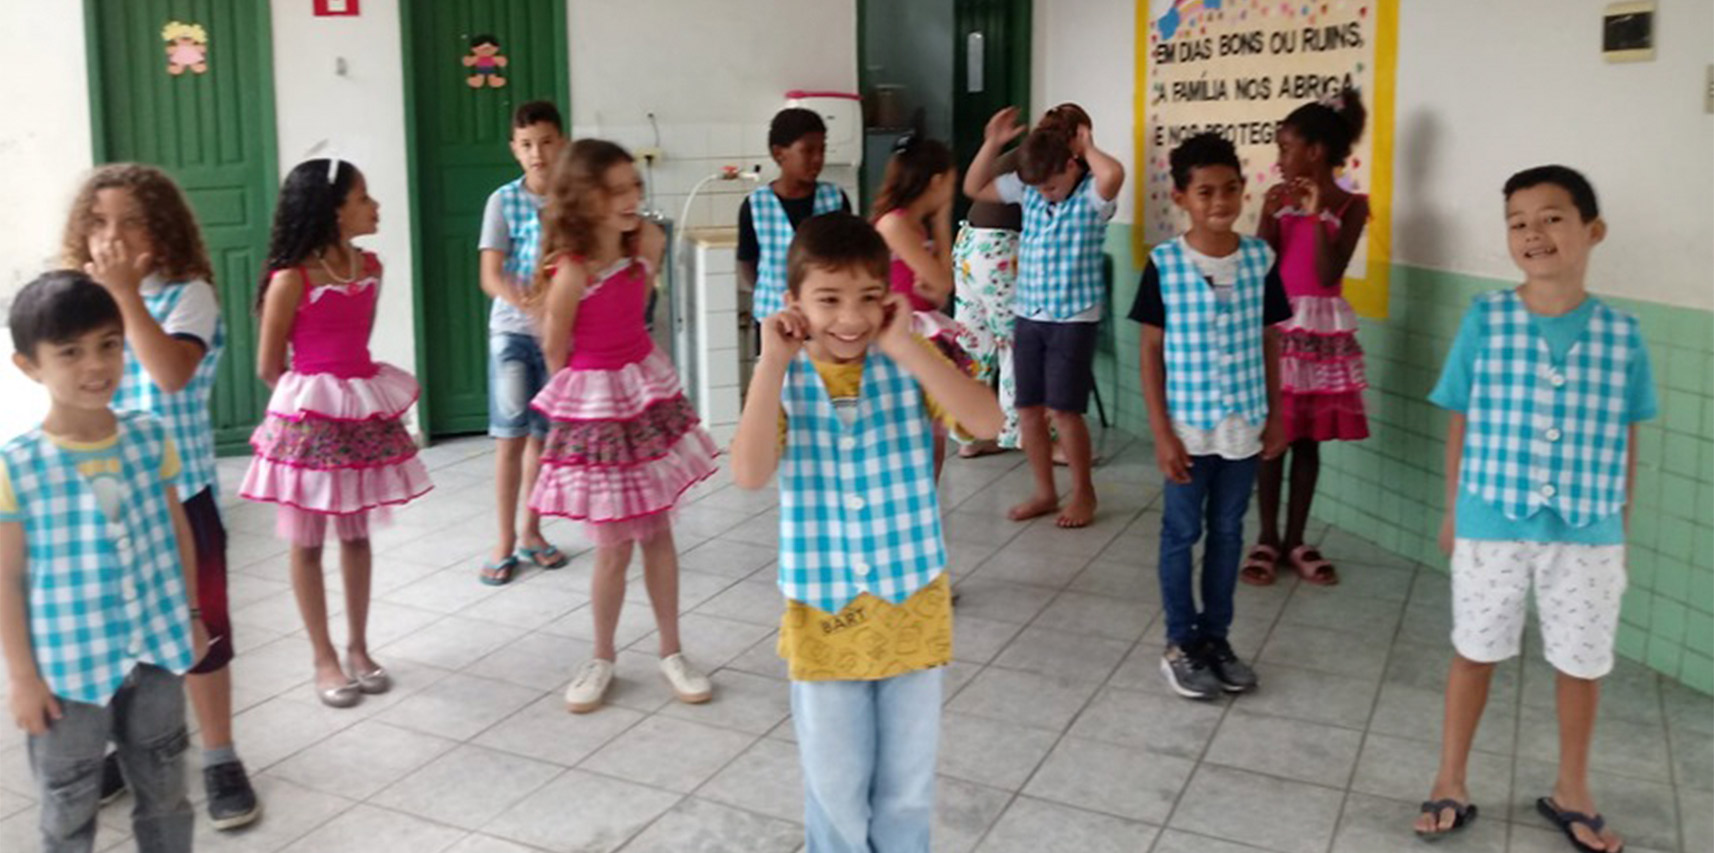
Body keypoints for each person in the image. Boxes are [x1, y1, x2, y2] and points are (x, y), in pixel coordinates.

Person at [729, 212, 1000, 852]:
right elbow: (748, 473)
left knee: (906, 791)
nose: (850, 318)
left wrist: (907, 346)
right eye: (828, 300)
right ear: (794, 303)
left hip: (912, 611)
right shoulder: (786, 376)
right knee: (835, 791)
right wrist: (771, 364)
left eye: (867, 299)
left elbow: (986, 424)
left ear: (888, 298)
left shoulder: (911, 358)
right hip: (825, 621)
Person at [1414, 166, 1651, 853]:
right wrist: (1456, 509)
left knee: (1582, 661)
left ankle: (1573, 788)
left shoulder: (1622, 333)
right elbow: (1459, 416)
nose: (1532, 232)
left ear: (1591, 231)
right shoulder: (1486, 318)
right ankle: (1450, 776)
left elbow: (1628, 432)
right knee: (1475, 651)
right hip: (1492, 519)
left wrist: (1620, 527)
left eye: (1551, 217)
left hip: (1588, 530)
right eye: (1517, 221)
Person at [60, 163, 260, 827]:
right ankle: (122, 748)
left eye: (131, 221)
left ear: (162, 229)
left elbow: (171, 374)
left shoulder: (188, 293)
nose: (112, 235)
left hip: (181, 497)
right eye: (99, 221)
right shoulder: (74, 296)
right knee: (116, 633)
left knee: (201, 628)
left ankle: (222, 756)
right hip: (97, 494)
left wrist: (124, 296)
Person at [2, 272, 206, 853]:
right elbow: (6, 581)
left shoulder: (148, 437)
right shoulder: (17, 466)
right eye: (70, 353)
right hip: (67, 672)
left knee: (166, 791)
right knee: (68, 809)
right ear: (29, 366)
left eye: (108, 345)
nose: (96, 366)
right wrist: (22, 677)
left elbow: (178, 531)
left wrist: (191, 613)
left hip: (157, 651)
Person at [527, 140, 720, 713]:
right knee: (612, 546)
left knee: (658, 532)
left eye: (633, 186)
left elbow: (642, 309)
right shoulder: (570, 272)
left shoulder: (649, 246)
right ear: (583, 201)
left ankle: (672, 650)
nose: (632, 198)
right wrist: (592, 407)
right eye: (615, 191)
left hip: (644, 395)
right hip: (598, 405)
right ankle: (602, 655)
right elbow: (555, 353)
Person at [240, 159, 432, 708]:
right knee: (306, 541)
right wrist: (308, 408)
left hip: (357, 411)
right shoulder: (290, 279)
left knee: (355, 534)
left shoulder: (371, 268)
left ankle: (358, 646)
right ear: (333, 209)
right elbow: (269, 365)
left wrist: (348, 400)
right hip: (307, 423)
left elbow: (358, 340)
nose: (375, 207)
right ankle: (323, 655)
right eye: (363, 197)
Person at [1131, 132, 1290, 700]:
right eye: (1205, 192)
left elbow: (1271, 340)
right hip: (1188, 427)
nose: (1219, 202)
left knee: (1228, 531)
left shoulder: (1261, 260)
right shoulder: (1165, 265)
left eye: (1229, 189)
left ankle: (1216, 639)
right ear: (1182, 197)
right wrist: (1161, 433)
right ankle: (1180, 643)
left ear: (1243, 190)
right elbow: (1150, 352)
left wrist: (1277, 412)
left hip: (1243, 424)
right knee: (1182, 532)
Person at [964, 104, 1123, 528]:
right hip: (1028, 313)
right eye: (1039, 188)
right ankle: (1045, 491)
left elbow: (1113, 175)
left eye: (1052, 186)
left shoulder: (1092, 195)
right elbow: (974, 186)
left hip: (1073, 318)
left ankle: (1083, 493)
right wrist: (992, 143)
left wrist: (1087, 145)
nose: (1045, 193)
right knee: (1029, 408)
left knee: (1065, 412)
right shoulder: (1029, 189)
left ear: (1072, 164)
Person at [1246, 88, 1371, 587]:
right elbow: (1259, 264)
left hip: (1320, 336)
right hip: (1280, 331)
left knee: (1308, 444)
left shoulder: (1353, 206)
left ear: (1315, 152)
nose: (1280, 159)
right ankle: (1267, 537)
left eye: (1285, 147)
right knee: (1273, 440)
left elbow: (1327, 271)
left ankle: (1296, 538)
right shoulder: (1280, 201)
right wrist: (1269, 216)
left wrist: (1318, 214)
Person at [478, 100, 571, 586]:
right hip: (513, 334)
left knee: (544, 436)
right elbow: (490, 275)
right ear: (515, 150)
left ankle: (533, 532)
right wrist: (529, 305)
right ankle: (503, 541)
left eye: (547, 142)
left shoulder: (574, 202)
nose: (538, 153)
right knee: (509, 437)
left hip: (558, 339)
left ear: (563, 145)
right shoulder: (503, 201)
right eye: (527, 145)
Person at [871, 134, 972, 479]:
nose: (953, 192)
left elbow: (942, 288)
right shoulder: (894, 223)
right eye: (952, 183)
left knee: (933, 437)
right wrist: (944, 221)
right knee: (910, 437)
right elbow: (942, 283)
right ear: (937, 181)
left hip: (922, 331)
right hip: (900, 337)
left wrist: (941, 223)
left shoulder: (914, 224)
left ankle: (923, 512)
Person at [739, 107, 852, 322]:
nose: (818, 158)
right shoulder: (756, 206)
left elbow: (849, 258)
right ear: (779, 153)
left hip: (826, 320)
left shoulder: (835, 199)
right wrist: (772, 294)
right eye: (808, 151)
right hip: (774, 318)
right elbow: (748, 263)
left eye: (822, 150)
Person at [951, 146, 1023, 456]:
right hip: (998, 252)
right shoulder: (1049, 160)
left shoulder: (1019, 153)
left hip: (968, 246)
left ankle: (968, 436)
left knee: (972, 342)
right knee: (1013, 345)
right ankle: (1015, 435)